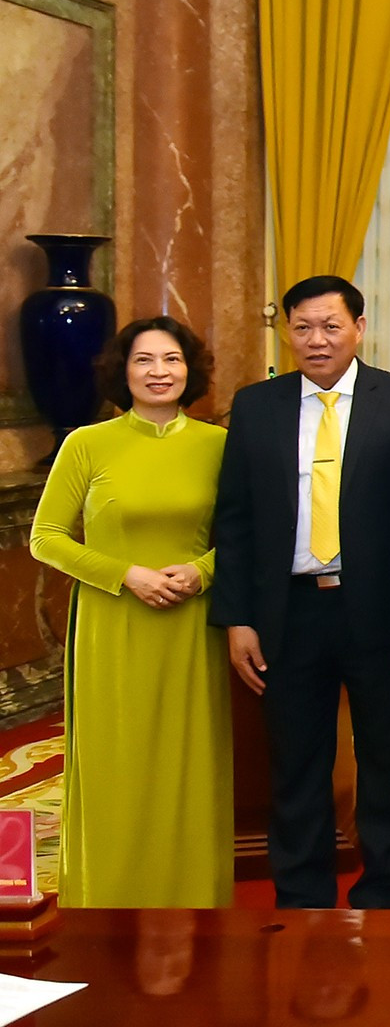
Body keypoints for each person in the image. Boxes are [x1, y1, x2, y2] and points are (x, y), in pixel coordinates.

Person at [209, 275, 390, 909]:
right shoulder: (257, 405)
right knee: (296, 761)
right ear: (287, 331)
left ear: (360, 328)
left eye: (331, 326)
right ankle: (301, 895)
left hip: (377, 613)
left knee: (386, 758)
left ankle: (383, 887)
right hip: (289, 611)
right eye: (302, 327)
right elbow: (236, 519)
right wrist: (238, 618)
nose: (317, 340)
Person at [30, 317, 229, 906]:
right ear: (123, 371)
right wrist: (125, 574)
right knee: (116, 768)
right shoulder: (86, 444)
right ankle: (106, 903)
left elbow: (245, 534)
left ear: (190, 370)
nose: (159, 372)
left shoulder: (218, 445)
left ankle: (195, 899)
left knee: (187, 767)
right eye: (144, 360)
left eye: (172, 359)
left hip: (191, 625)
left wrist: (203, 571)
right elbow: (46, 538)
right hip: (111, 625)